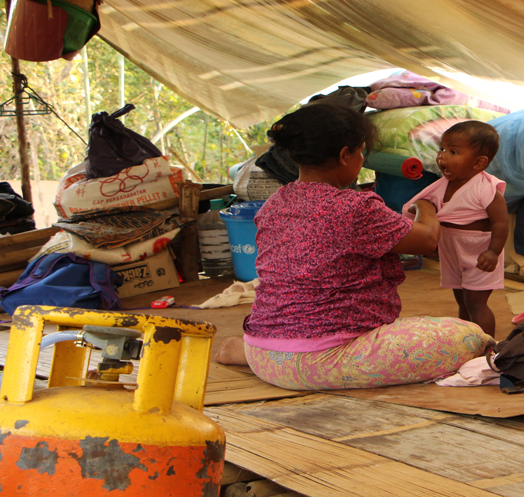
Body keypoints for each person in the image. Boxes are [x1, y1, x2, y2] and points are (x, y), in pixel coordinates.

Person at [213, 104, 494, 391]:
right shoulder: (355, 208)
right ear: (345, 155)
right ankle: (289, 362)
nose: (362, 159)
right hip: (322, 359)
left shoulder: (275, 203)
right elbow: (426, 239)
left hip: (263, 352)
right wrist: (426, 206)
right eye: (361, 152)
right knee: (468, 336)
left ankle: (244, 353)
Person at [403, 120, 508, 337]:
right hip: (452, 252)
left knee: (476, 302)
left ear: (479, 163)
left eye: (453, 151)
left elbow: (501, 223)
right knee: (462, 300)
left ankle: (485, 347)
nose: (442, 156)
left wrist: (493, 251)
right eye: (441, 148)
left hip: (479, 253)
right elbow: (427, 212)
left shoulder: (486, 189)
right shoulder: (440, 186)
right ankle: (466, 340)